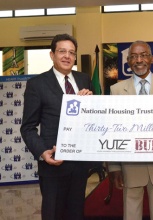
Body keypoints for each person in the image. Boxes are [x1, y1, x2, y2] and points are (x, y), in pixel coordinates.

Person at [20, 34, 94, 220]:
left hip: (79, 164)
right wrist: (43, 152)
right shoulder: (37, 84)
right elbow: (28, 127)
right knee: (53, 214)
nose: (67, 56)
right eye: (62, 51)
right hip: (53, 163)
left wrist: (92, 104)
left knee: (76, 213)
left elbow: (90, 121)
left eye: (72, 52)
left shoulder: (84, 79)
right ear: (52, 55)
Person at [108, 40, 153, 220]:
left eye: (143, 55)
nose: (138, 60)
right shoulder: (116, 90)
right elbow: (110, 131)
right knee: (131, 215)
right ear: (128, 61)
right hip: (130, 165)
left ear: (151, 59)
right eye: (133, 56)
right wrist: (114, 167)